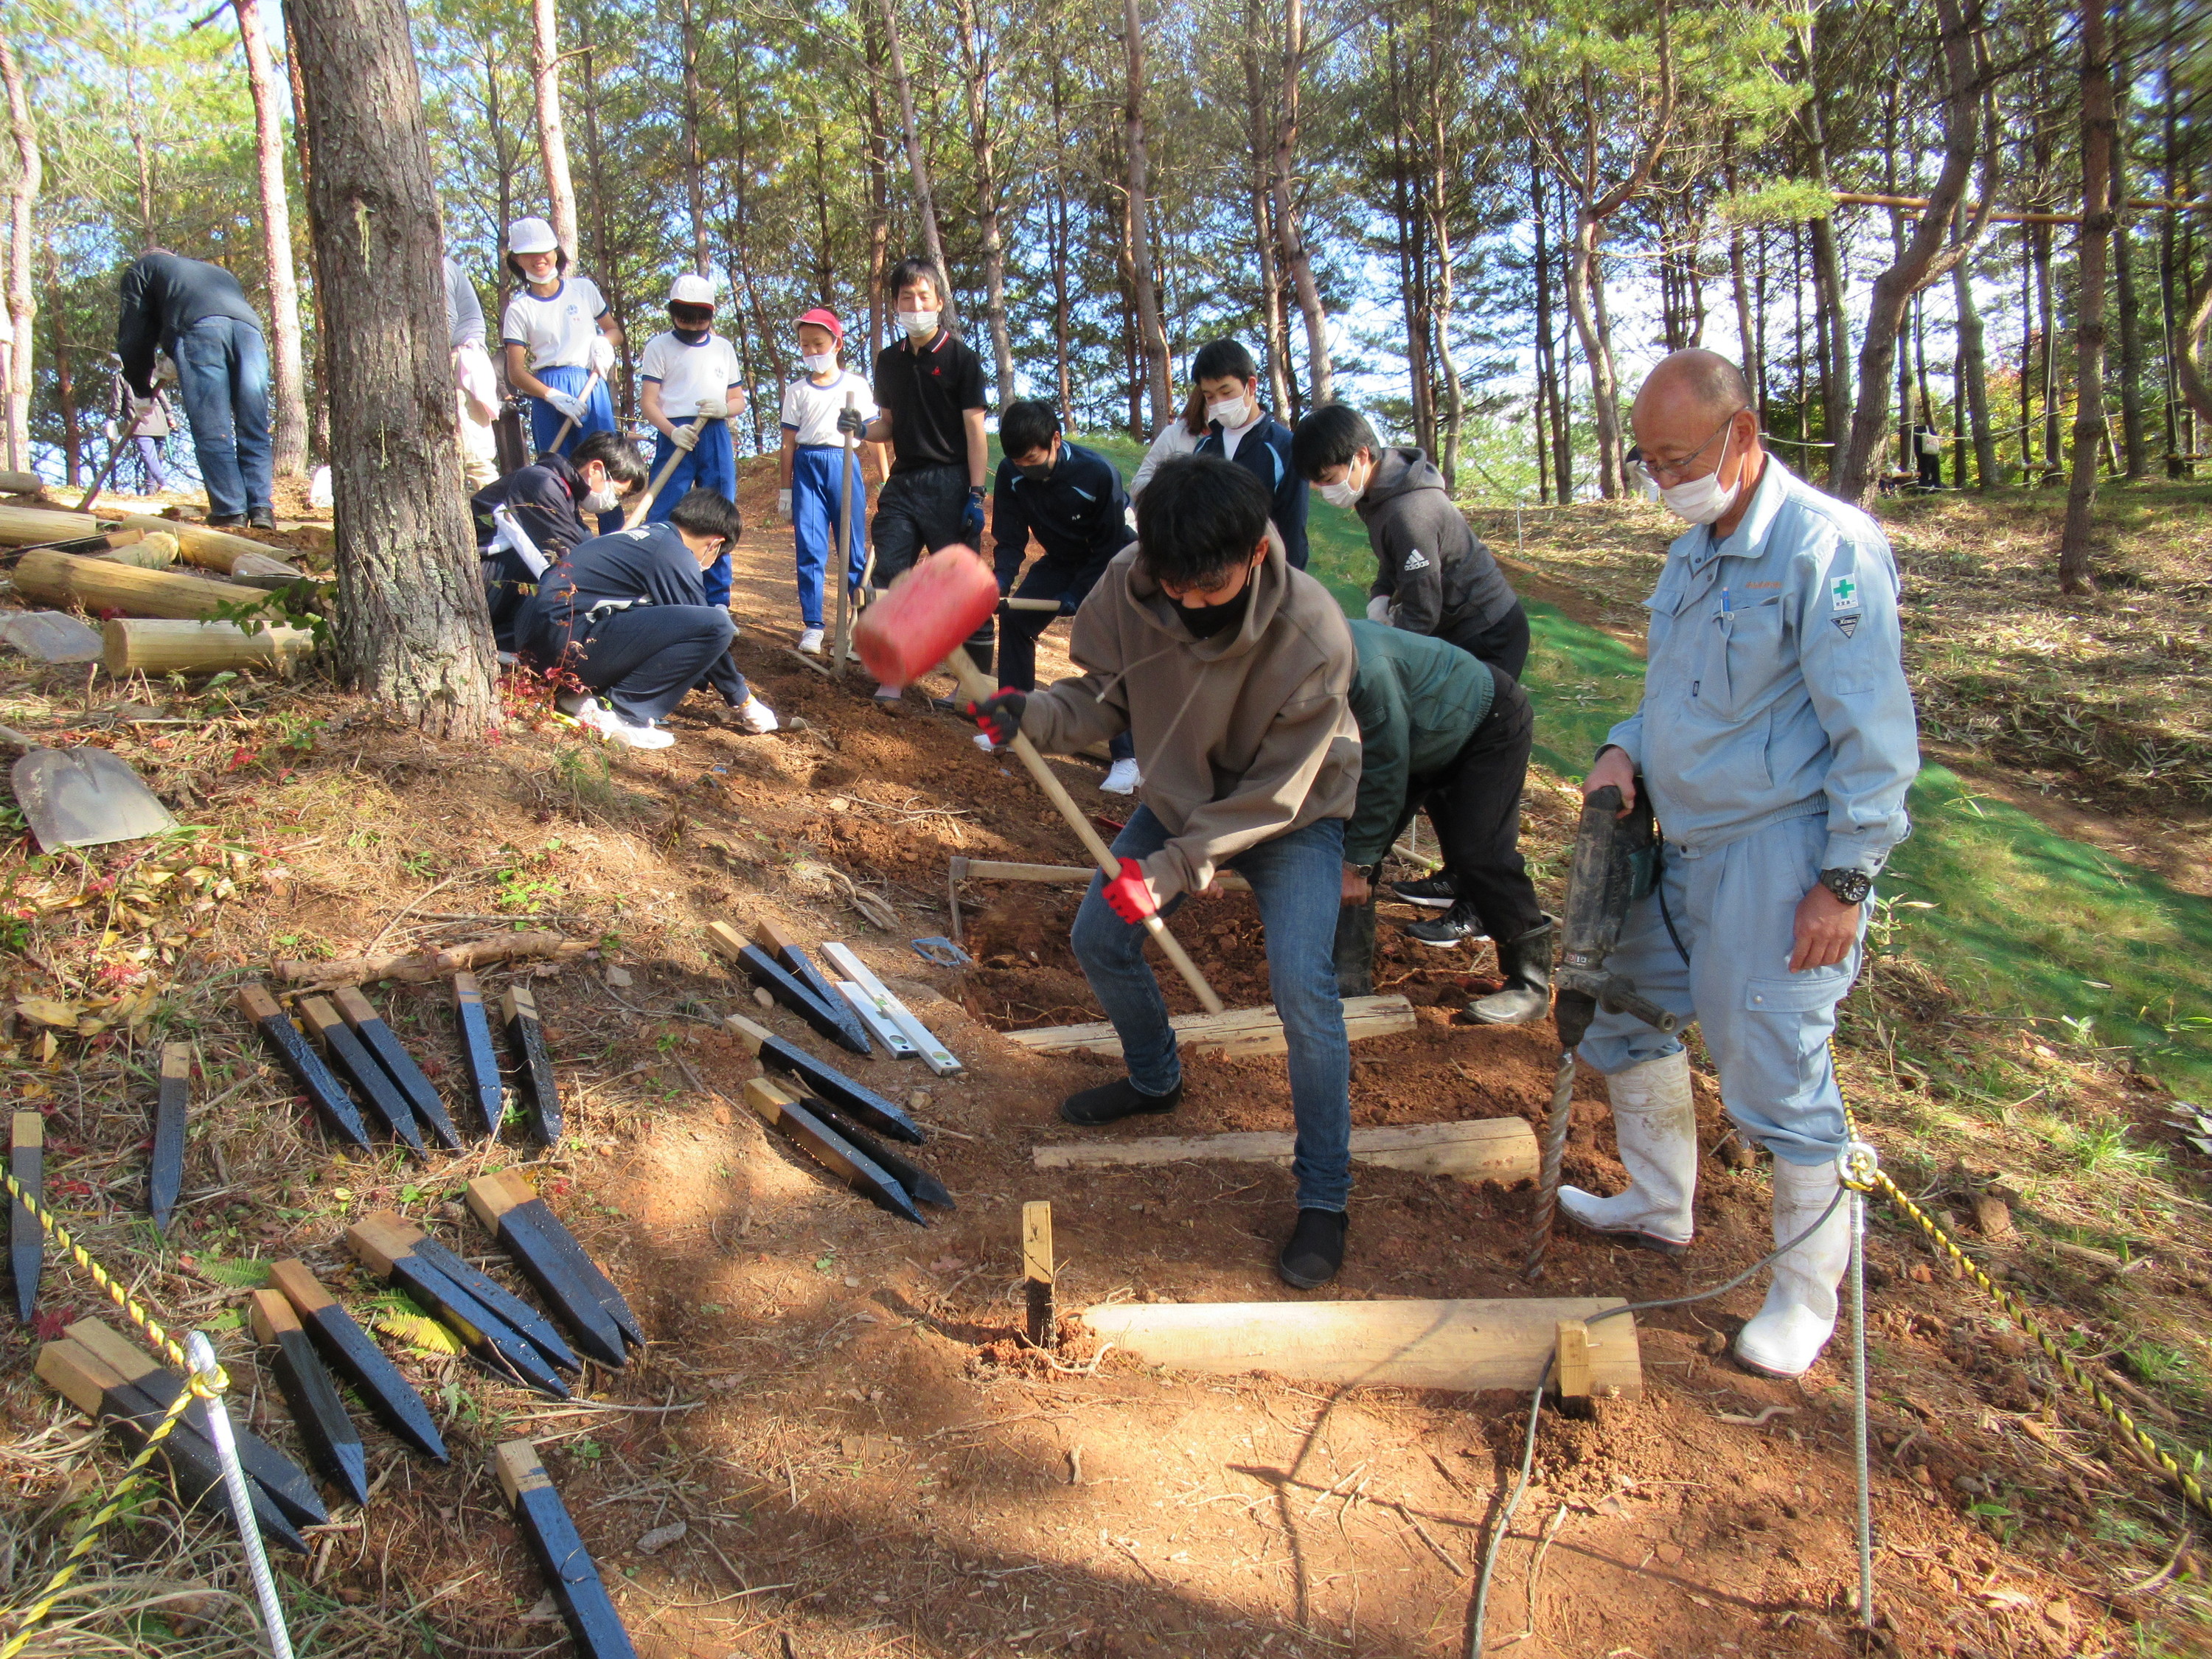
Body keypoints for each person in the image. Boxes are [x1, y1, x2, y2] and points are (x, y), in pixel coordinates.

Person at [1569, 348, 1918, 1381]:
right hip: (1679, 844)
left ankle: (1807, 1297)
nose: (1662, 477)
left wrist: (1845, 881)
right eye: (1647, 459)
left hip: (1778, 854)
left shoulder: (1827, 549)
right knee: (1623, 1009)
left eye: (1677, 455)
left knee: (1773, 1069)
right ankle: (1659, 1200)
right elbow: (1672, 694)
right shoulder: (1691, 554)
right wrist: (1625, 744)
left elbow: (1876, 737)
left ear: (1744, 434)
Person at [961, 456, 1362, 1290]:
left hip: (1290, 814)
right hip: (1182, 793)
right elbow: (1106, 697)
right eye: (1171, 585)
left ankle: (1325, 1195)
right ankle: (1155, 1079)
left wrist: (1177, 869)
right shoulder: (1132, 580)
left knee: (1301, 987)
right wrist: (1031, 714)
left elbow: (1275, 795)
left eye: (1206, 592)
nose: (1184, 605)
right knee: (1099, 936)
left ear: (1255, 555)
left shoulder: (1314, 636)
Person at [1291, 401, 1531, 931]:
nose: (1324, 491)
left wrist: (1384, 643)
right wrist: (1380, 599)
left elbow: (1422, 611)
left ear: (1360, 457)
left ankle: (1475, 903)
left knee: (1461, 769)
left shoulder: (1410, 511)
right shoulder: (1377, 496)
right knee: (1433, 767)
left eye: (1328, 478)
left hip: (1484, 634)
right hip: (1447, 632)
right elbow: (1390, 567)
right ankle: (1455, 873)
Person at [1332, 620, 1548, 1023]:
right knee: (1354, 840)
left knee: (1480, 854)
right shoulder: (1299, 660)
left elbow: (1386, 769)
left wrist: (1357, 863)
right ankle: (1349, 977)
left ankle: (1529, 984)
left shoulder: (1364, 666)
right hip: (1419, 736)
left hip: (1487, 723)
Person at [517, 487, 779, 750]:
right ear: (715, 544)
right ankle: (624, 713)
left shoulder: (645, 538)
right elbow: (704, 628)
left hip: (535, 648)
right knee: (718, 625)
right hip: (564, 644)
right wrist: (744, 700)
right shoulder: (673, 554)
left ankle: (575, 695)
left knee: (646, 613)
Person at [848, 257, 990, 698]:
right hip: (904, 482)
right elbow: (887, 424)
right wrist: (860, 429)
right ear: (894, 304)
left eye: (923, 296)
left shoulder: (962, 360)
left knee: (960, 586)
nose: (915, 304)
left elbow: (974, 429)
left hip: (950, 482)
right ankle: (893, 675)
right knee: (889, 572)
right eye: (906, 297)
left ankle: (974, 687)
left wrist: (976, 491)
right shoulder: (888, 360)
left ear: (939, 302)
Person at [987, 400, 1139, 785]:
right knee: (1016, 619)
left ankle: (1128, 757)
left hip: (1115, 559)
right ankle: (1013, 721)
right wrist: (1001, 581)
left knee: (1111, 645)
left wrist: (1078, 592)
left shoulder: (1098, 473)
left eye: (1032, 458)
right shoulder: (1011, 472)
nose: (1024, 467)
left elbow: (1109, 545)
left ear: (1056, 440)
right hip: (1062, 557)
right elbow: (1009, 536)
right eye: (1017, 461)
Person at [114, 248, 274, 528]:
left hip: (199, 331)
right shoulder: (216, 272)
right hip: (251, 333)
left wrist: (140, 387)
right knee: (254, 424)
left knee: (213, 425)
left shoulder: (143, 268)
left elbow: (134, 333)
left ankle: (230, 510)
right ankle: (261, 509)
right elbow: (218, 314)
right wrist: (174, 351)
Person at [473, 431, 650, 655]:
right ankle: (509, 644)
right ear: (595, 469)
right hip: (474, 586)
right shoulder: (539, 484)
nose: (615, 503)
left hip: (490, 587)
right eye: (617, 494)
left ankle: (510, 645)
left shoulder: (565, 498)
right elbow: (570, 564)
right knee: (555, 569)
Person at [638, 273, 747, 608]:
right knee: (664, 510)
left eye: (701, 314)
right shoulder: (659, 347)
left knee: (719, 513)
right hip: (675, 435)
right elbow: (648, 402)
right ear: (673, 311)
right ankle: (656, 593)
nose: (693, 321)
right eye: (685, 313)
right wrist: (671, 431)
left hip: (714, 432)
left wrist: (724, 409)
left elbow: (739, 401)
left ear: (711, 313)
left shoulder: (723, 348)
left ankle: (717, 600)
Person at [777, 307, 877, 655]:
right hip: (808, 465)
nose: (812, 352)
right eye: (805, 346)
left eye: (818, 344)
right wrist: (786, 488)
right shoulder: (797, 391)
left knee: (851, 548)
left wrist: (886, 478)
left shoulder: (857, 386)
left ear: (837, 343)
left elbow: (875, 433)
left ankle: (856, 626)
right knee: (811, 546)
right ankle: (814, 626)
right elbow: (788, 442)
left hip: (843, 462)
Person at [499, 217, 621, 459]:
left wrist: (603, 343)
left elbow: (615, 332)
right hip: (549, 392)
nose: (538, 259)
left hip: (590, 382)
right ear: (516, 259)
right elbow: (516, 372)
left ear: (556, 252)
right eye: (529, 253)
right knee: (558, 469)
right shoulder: (519, 309)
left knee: (603, 462)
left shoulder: (583, 290)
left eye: (544, 251)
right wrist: (552, 395)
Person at [1184, 340, 1307, 572]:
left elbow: (1293, 527)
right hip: (1211, 576)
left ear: (1251, 386)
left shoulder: (1284, 447)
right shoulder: (1205, 449)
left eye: (1226, 392)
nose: (1219, 404)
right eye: (1209, 396)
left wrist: (1288, 588)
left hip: (1265, 574)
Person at [445, 255, 500, 490]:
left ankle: (496, 524)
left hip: (462, 360)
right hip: (458, 358)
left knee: (476, 455)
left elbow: (446, 320)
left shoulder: (440, 266)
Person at [105, 352, 174, 495]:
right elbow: (163, 398)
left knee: (150, 457)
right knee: (154, 457)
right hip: (159, 422)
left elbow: (116, 402)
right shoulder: (150, 375)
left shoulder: (121, 377)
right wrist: (170, 417)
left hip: (140, 422)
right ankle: (152, 491)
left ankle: (163, 483)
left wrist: (112, 420)